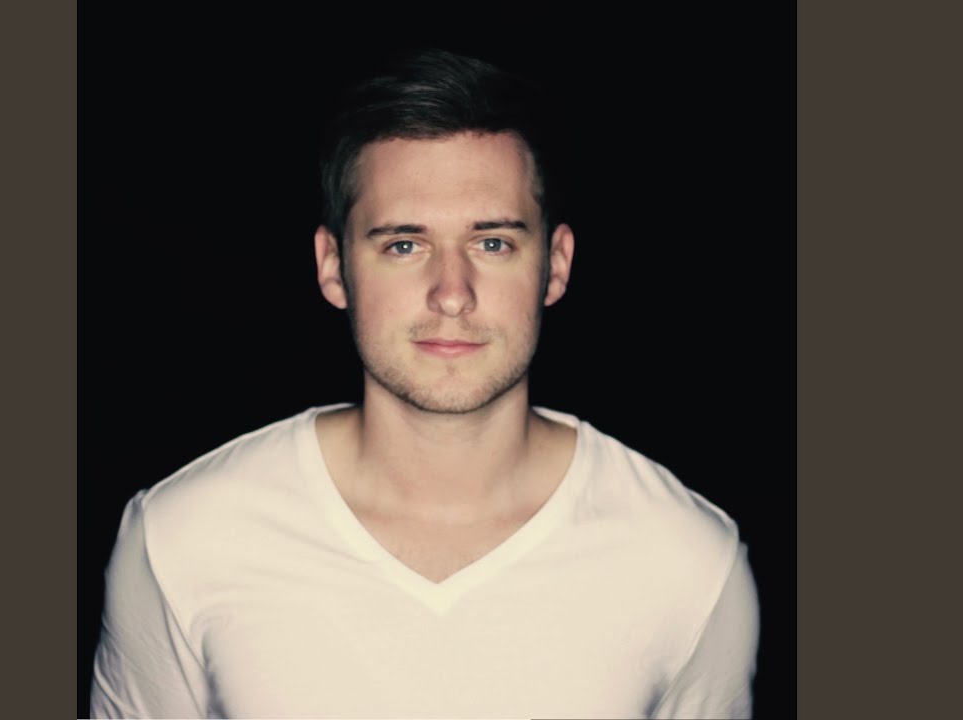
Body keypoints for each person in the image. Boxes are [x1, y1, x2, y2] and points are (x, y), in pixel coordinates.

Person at [90, 49, 759, 719]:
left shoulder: (687, 561)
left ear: (555, 266)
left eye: (492, 243)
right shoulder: (183, 537)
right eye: (403, 245)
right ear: (332, 266)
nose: (451, 294)